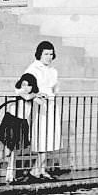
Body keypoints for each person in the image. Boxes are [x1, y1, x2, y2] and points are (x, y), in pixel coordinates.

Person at [26, 40, 59, 180]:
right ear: (39, 54)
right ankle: (36, 169)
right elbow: (24, 87)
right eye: (46, 54)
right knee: (41, 136)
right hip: (39, 105)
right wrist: (35, 96)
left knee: (49, 136)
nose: (49, 57)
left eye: (51, 54)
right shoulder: (33, 69)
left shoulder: (53, 71)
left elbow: (55, 88)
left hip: (51, 104)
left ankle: (41, 169)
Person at [0, 73, 39, 167]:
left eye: (29, 85)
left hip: (22, 122)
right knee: (7, 150)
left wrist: (42, 96)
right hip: (11, 121)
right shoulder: (19, 91)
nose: (26, 87)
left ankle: (10, 172)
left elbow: (40, 101)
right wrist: (37, 95)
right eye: (24, 84)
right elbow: (26, 96)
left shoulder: (32, 95)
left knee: (13, 150)